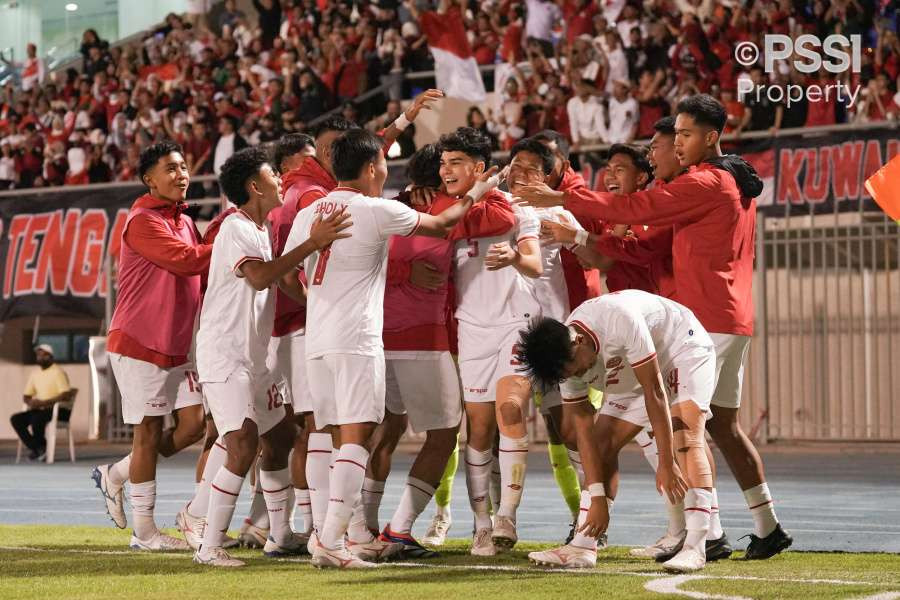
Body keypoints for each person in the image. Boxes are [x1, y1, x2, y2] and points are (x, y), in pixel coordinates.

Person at [514, 94, 793, 560]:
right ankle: (766, 526)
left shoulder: (706, 181)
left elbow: (638, 214)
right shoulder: (728, 179)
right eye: (673, 137)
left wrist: (564, 201)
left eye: (681, 137)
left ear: (711, 137)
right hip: (727, 315)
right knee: (722, 427)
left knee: (677, 430)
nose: (674, 147)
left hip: (700, 322)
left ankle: (702, 536)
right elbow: (638, 232)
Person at [282, 128, 500, 569]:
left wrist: (318, 302)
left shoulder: (311, 211)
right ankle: (331, 540)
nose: (386, 172)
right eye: (382, 164)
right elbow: (442, 223)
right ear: (369, 169)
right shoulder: (374, 210)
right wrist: (478, 190)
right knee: (358, 438)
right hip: (357, 339)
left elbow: (288, 277)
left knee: (330, 434)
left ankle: (334, 532)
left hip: (317, 340)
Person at [193, 146, 352, 568]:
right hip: (225, 357)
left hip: (254, 359)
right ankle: (208, 543)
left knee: (281, 437)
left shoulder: (259, 230)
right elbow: (263, 277)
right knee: (241, 445)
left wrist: (315, 300)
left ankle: (279, 534)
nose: (280, 180)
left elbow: (279, 281)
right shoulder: (234, 228)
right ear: (253, 186)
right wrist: (312, 244)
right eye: (272, 175)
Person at [518, 290, 717, 572]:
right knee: (601, 445)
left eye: (574, 369)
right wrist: (597, 496)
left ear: (580, 341)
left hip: (681, 349)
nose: (575, 376)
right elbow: (584, 431)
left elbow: (655, 392)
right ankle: (583, 546)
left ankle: (696, 547)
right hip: (630, 371)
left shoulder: (618, 319)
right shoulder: (565, 359)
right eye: (567, 375)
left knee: (684, 435)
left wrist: (666, 462)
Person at [91, 142, 211, 551]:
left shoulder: (183, 220)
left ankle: (118, 473)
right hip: (141, 342)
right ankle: (145, 534)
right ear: (149, 180)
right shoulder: (143, 220)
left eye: (183, 167)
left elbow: (199, 267)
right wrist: (233, 243)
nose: (181, 175)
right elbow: (187, 261)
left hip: (179, 345)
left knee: (194, 425)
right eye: (170, 169)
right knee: (149, 432)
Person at [438, 127, 543, 556]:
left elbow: (535, 263)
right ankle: (481, 524)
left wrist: (516, 256)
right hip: (471, 328)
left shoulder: (517, 211)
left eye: (455, 162)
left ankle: (507, 517)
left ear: (479, 169)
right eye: (443, 163)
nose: (446, 170)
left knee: (511, 409)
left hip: (516, 323)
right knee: (477, 430)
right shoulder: (444, 215)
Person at [358, 144, 464, 558]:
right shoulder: (447, 212)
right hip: (422, 338)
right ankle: (398, 530)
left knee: (383, 433)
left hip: (380, 338)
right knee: (443, 435)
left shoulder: (391, 208)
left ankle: (361, 527)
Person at [10, 344, 72, 461]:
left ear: (50, 356)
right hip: (40, 409)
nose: (39, 357)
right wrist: (31, 402)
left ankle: (39, 449)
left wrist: (45, 403)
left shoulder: (58, 372)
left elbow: (66, 395)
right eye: (38, 355)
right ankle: (38, 448)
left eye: (43, 355)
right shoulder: (35, 374)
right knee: (16, 419)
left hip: (58, 410)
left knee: (36, 419)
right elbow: (26, 395)